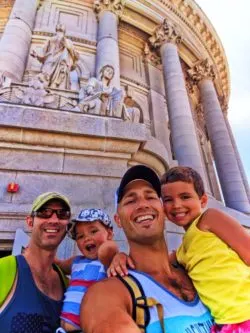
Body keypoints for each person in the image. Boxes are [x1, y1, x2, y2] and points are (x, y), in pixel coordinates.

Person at [81, 165, 213, 333]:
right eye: (130, 200)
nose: (143, 204)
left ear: (163, 210)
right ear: (118, 220)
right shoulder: (107, 294)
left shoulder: (196, 268)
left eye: (150, 197)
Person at [161, 166, 250, 333]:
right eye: (167, 200)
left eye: (185, 197)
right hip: (224, 323)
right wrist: (118, 258)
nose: (176, 205)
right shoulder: (181, 252)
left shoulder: (210, 219)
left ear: (202, 201)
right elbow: (155, 264)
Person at [0, 191, 71, 333]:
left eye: (62, 214)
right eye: (44, 212)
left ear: (68, 225)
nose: (54, 220)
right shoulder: (3, 269)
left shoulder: (68, 286)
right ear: (30, 222)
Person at [56, 208, 131, 333]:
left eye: (93, 231)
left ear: (110, 233)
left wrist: (120, 255)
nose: (87, 238)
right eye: (80, 236)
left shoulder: (108, 261)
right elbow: (59, 264)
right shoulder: (76, 261)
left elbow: (110, 248)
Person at [31, 23, 79, 90]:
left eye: (61, 31)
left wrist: (66, 45)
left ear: (64, 32)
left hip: (62, 62)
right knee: (46, 72)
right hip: (50, 59)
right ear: (56, 31)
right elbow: (44, 52)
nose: (59, 33)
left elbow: (74, 54)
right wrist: (37, 55)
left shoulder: (68, 42)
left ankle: (54, 86)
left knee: (61, 72)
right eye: (58, 31)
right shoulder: (51, 39)